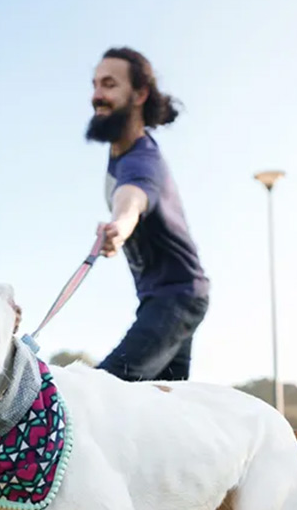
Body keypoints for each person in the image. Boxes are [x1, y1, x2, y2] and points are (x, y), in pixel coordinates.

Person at [86, 47, 209, 382]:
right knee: (166, 405)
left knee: (103, 390)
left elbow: (134, 197)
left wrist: (121, 227)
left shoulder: (142, 159)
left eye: (109, 84)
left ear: (139, 94)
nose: (97, 95)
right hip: (167, 298)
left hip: (177, 298)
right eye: (95, 84)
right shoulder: (122, 154)